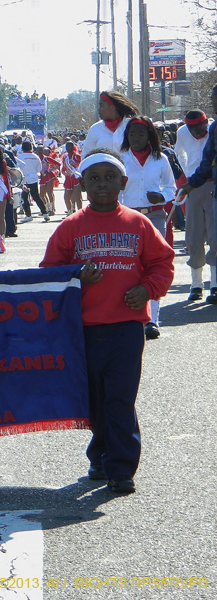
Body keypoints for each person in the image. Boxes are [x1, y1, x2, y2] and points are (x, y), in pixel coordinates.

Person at [40, 149, 174, 494]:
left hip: (126, 328)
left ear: (123, 182)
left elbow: (162, 263)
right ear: (81, 183)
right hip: (84, 329)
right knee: (95, 400)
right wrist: (76, 275)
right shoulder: (71, 227)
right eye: (95, 178)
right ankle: (100, 454)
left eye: (110, 177)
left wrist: (147, 289)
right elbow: (48, 272)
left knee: (120, 398)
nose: (102, 184)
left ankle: (121, 468)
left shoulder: (138, 223)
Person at [118, 116, 176, 340]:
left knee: (154, 264)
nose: (136, 138)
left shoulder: (161, 159)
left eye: (140, 134)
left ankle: (152, 319)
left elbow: (171, 187)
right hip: (128, 216)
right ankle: (131, 316)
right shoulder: (121, 159)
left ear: (149, 136)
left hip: (155, 215)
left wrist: (161, 196)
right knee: (129, 264)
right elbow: (117, 190)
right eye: (132, 134)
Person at [176, 109, 217, 302]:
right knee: (193, 235)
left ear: (205, 123)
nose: (195, 131)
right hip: (193, 185)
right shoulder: (182, 132)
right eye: (191, 127)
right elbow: (179, 153)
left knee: (215, 235)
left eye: (199, 127)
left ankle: (214, 283)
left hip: (212, 183)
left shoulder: (213, 129)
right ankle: (196, 284)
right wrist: (189, 173)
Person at [82, 91, 139, 157]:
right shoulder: (95, 129)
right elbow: (86, 156)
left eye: (101, 106)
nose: (98, 110)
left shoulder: (131, 126)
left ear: (112, 107)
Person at [17, 141, 48, 222]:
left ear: (22, 148)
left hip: (23, 179)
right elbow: (39, 169)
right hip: (33, 178)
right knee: (36, 196)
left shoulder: (20, 156)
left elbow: (17, 168)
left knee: (24, 197)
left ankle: (28, 215)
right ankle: (45, 213)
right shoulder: (36, 156)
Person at [61, 141, 82, 216]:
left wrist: (75, 165)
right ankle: (70, 212)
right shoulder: (65, 157)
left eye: (70, 146)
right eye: (67, 146)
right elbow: (63, 168)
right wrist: (64, 173)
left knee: (77, 197)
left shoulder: (77, 156)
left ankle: (80, 214)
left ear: (73, 147)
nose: (68, 148)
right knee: (66, 198)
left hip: (76, 178)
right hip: (68, 178)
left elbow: (82, 165)